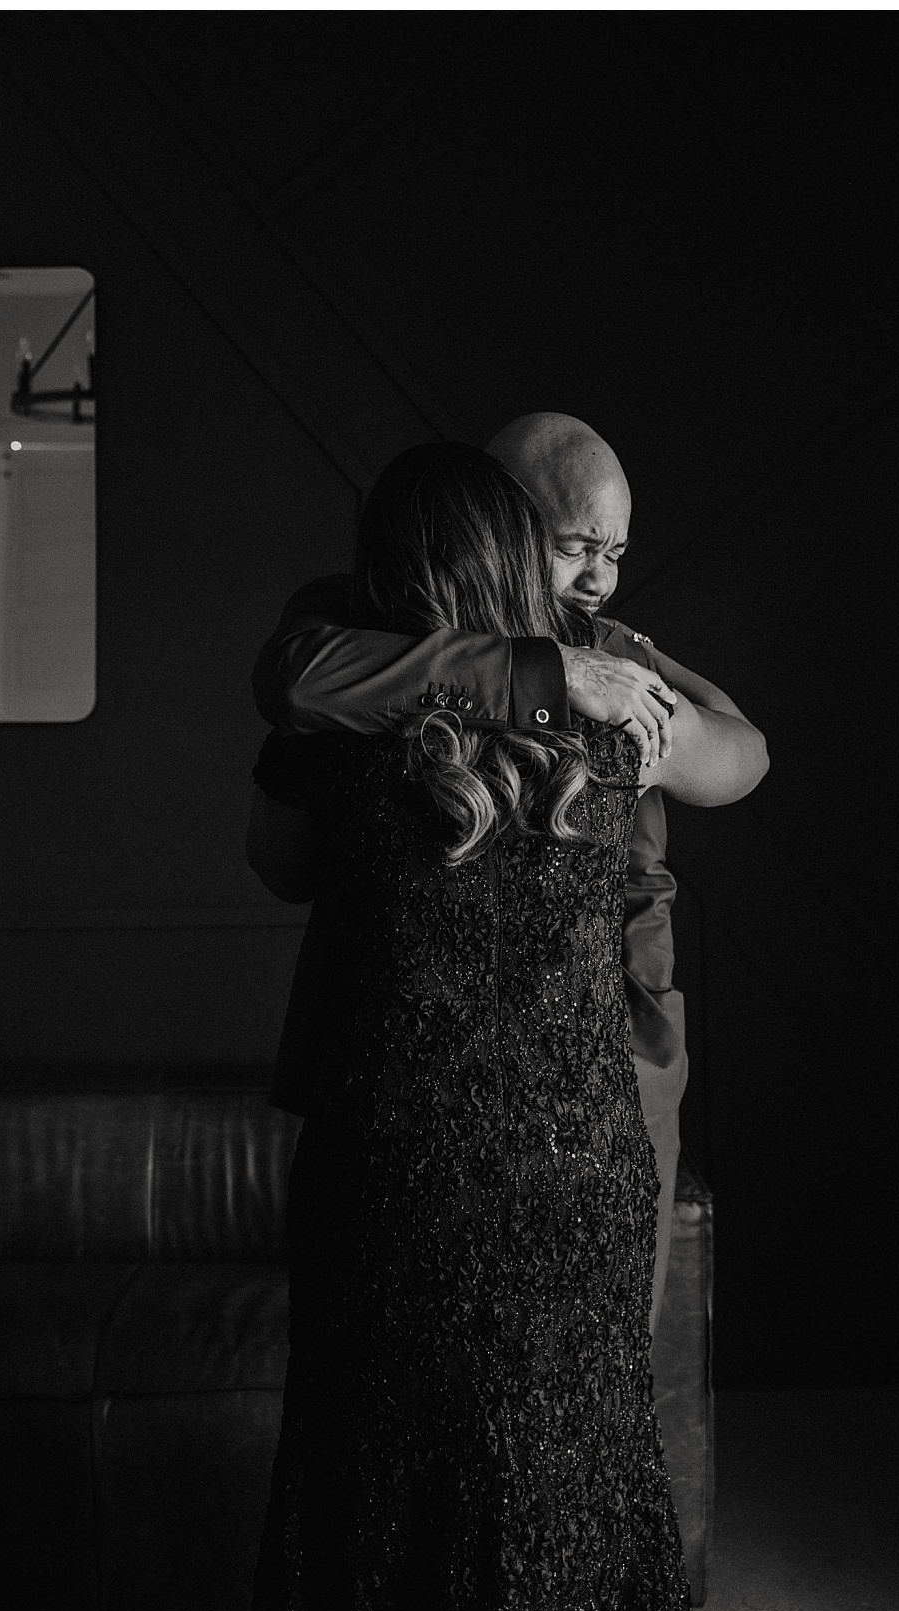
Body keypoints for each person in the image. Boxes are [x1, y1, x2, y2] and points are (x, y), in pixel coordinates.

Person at [248, 443, 698, 1611]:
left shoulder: (339, 728)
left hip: (397, 1172)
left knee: (378, 1493)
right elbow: (739, 754)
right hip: (578, 1170)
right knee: (574, 1486)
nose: (598, 573)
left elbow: (274, 861)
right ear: (524, 564)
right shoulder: (610, 723)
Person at [249, 413, 768, 1336]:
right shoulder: (358, 623)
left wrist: (653, 742)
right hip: (403, 1061)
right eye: (577, 546)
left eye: (615, 550)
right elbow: (295, 681)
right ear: (501, 521)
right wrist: (539, 671)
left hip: (610, 1033)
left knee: (599, 1350)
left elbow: (743, 746)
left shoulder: (611, 655)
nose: (602, 576)